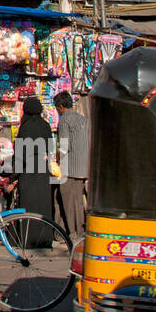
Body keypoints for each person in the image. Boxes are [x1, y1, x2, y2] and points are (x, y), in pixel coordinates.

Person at [14, 96, 56, 248]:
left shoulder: (25, 127)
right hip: (42, 171)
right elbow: (50, 148)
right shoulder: (45, 125)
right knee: (43, 205)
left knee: (29, 204)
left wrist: (14, 174)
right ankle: (44, 239)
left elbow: (20, 153)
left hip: (28, 172)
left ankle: (28, 239)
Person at [53, 92, 89, 241]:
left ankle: (73, 233)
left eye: (57, 108)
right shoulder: (82, 119)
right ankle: (75, 230)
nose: (57, 111)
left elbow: (63, 147)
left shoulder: (64, 120)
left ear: (61, 106)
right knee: (77, 201)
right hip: (82, 167)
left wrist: (56, 161)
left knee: (67, 201)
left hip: (70, 167)